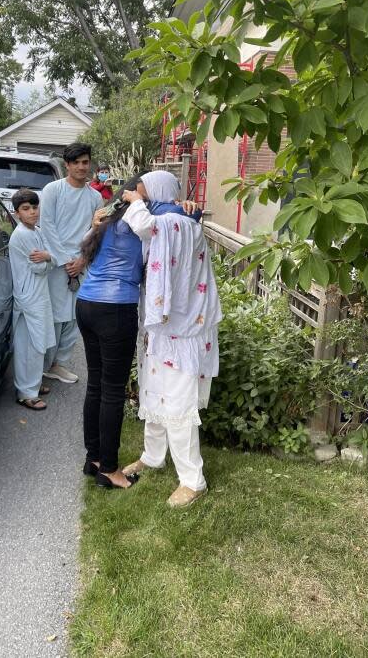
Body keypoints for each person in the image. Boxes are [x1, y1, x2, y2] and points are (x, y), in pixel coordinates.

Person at [121, 171, 222, 508]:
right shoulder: (175, 218)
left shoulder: (176, 223)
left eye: (147, 193)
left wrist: (135, 203)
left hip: (182, 331)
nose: (144, 198)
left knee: (178, 404)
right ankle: (153, 456)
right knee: (155, 395)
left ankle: (193, 480)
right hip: (165, 329)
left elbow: (141, 223)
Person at [76, 175, 145, 489]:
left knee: (96, 384)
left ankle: (94, 458)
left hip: (87, 304)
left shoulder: (105, 220)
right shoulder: (140, 222)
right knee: (113, 390)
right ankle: (110, 469)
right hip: (115, 308)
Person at [39, 142, 103, 384]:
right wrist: (67, 261)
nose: (81, 167)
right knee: (56, 316)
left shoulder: (95, 197)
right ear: (67, 165)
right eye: (75, 162)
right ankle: (44, 364)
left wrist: (82, 261)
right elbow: (48, 226)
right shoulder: (53, 190)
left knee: (77, 317)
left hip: (82, 263)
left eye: (85, 162)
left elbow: (95, 232)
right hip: (58, 263)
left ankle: (59, 364)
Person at [9, 188, 56, 411]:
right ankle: (26, 393)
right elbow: (38, 267)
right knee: (30, 345)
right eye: (26, 209)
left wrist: (47, 257)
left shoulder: (35, 230)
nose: (32, 212)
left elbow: (46, 256)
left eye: (35, 207)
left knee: (38, 344)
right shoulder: (22, 235)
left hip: (38, 294)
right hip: (29, 297)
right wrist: (48, 258)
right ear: (16, 213)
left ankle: (33, 385)